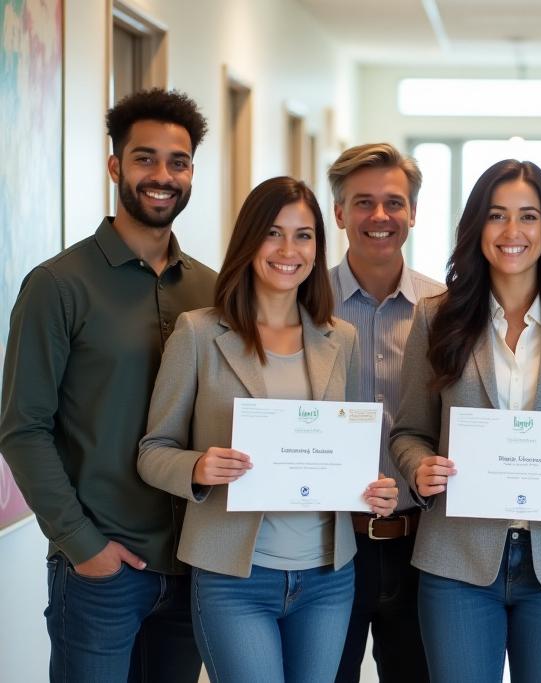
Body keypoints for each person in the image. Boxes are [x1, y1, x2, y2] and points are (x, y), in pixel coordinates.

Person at [137, 177, 399, 682]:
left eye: (303, 236)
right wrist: (198, 466)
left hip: (328, 576)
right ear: (250, 240)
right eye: (274, 233)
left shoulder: (339, 339)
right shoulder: (199, 332)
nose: (288, 250)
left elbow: (341, 452)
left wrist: (374, 489)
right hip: (234, 577)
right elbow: (153, 450)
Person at [390, 159, 541, 682]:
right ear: (477, 226)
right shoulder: (436, 318)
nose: (512, 232)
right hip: (457, 557)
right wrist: (418, 469)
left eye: (528, 216)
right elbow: (409, 431)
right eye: (496, 216)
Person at [0, 88, 214, 682]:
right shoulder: (57, 286)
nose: (162, 176)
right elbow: (23, 430)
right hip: (102, 571)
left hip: (192, 567)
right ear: (116, 165)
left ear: (192, 171)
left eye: (178, 161)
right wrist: (83, 546)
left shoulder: (214, 291)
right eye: (144, 158)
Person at [327, 143, 443, 683]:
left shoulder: (444, 310)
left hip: (424, 544)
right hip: (328, 545)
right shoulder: (302, 303)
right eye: (363, 202)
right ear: (339, 212)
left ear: (413, 213)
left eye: (394, 203)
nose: (380, 216)